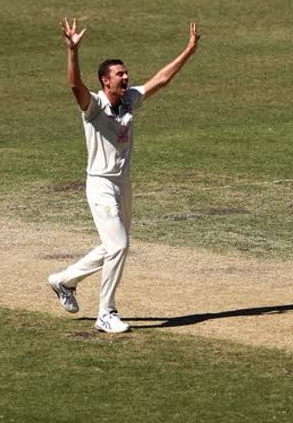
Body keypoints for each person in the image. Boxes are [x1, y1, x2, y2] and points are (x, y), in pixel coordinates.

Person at [48, 17, 200, 333]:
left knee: (113, 245)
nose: (126, 76)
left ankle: (65, 280)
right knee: (118, 246)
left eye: (126, 72)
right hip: (100, 184)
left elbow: (161, 79)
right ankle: (106, 312)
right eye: (120, 74)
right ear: (105, 81)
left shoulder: (130, 98)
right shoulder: (94, 105)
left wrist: (189, 49)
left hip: (124, 184)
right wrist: (72, 50)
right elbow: (74, 86)